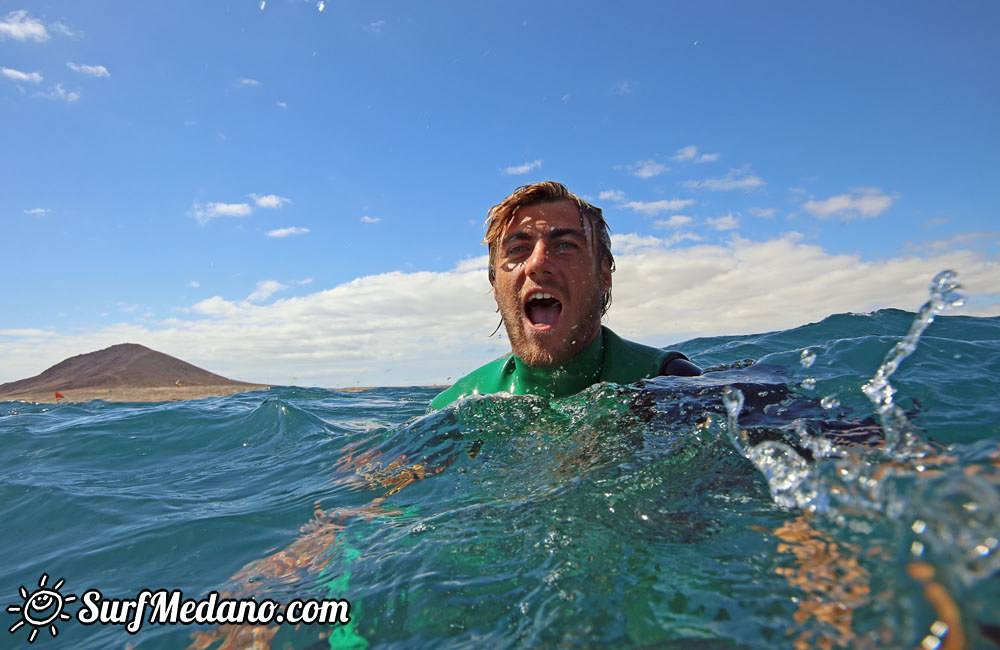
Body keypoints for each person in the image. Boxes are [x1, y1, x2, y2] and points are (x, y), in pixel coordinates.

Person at [430, 181, 699, 411]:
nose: (537, 262)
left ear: (604, 274)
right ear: (495, 284)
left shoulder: (673, 386)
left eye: (565, 245)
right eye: (517, 249)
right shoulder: (453, 409)